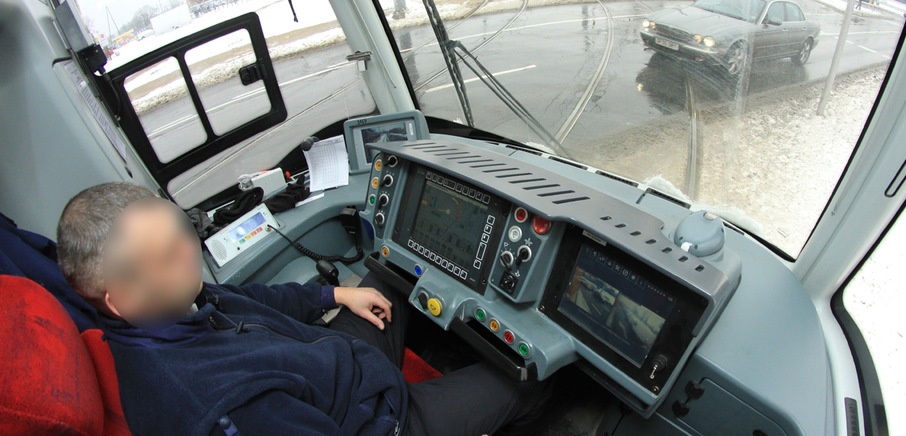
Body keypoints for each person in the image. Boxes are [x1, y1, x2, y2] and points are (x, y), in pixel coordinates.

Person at [55, 182, 551, 436]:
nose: (190, 252)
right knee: (530, 382)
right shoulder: (222, 409)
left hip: (337, 368)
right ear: (120, 300)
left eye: (182, 231)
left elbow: (251, 299)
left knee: (389, 274)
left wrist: (334, 295)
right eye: (167, 255)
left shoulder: (174, 304)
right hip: (385, 421)